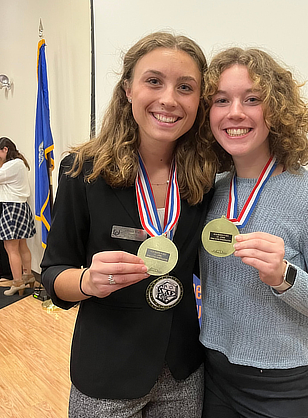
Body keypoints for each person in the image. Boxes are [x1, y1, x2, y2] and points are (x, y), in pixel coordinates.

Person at [41, 32, 217, 418]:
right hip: (107, 372)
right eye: (153, 81)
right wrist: (87, 281)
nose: (169, 99)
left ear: (199, 102)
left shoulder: (206, 177)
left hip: (183, 372)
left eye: (185, 87)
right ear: (127, 90)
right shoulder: (81, 172)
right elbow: (53, 274)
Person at [199, 47, 308, 418]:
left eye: (252, 99)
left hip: (282, 388)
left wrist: (285, 276)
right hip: (213, 374)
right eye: (222, 100)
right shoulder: (210, 189)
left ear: (277, 110)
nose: (235, 112)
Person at [0, 137, 36, 296]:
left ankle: (17, 282)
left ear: (5, 149)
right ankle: (27, 276)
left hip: (11, 207)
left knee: (10, 247)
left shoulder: (10, 165)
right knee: (22, 245)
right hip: (21, 207)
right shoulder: (20, 163)